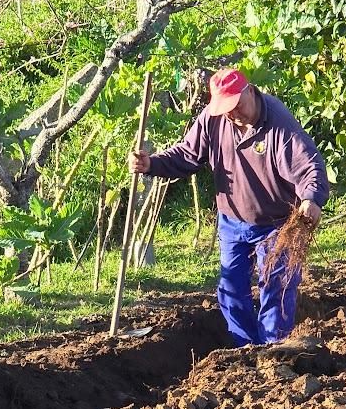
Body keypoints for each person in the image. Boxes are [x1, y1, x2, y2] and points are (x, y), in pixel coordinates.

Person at [129, 68, 328, 347]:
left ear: (249, 90)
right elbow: (188, 154)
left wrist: (311, 198)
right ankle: (245, 349)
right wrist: (152, 164)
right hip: (233, 220)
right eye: (226, 110)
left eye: (236, 107)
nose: (233, 115)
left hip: (278, 223)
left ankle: (274, 352)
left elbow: (309, 166)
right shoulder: (213, 120)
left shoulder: (278, 123)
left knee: (276, 287)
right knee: (232, 290)